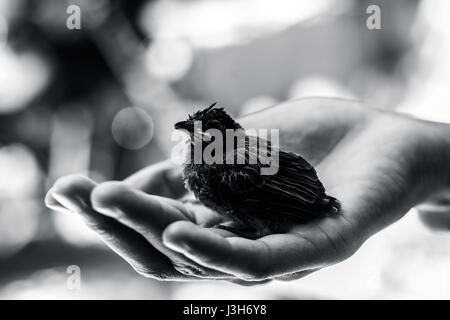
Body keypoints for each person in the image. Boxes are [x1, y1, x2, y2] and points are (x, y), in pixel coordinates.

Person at [45, 97, 450, 285]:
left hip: (299, 198)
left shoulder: (227, 168)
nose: (191, 136)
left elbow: (285, 182)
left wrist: (418, 157)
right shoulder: (215, 161)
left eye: (201, 132)